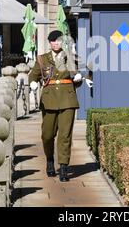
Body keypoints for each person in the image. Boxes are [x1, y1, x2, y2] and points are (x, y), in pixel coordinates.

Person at [28, 30, 82, 182]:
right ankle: (50, 159)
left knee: (65, 136)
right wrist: (32, 82)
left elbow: (78, 76)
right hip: (49, 100)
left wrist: (78, 79)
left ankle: (63, 168)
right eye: (53, 41)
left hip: (67, 100)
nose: (56, 43)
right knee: (47, 135)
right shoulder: (42, 59)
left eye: (58, 41)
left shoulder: (70, 58)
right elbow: (33, 74)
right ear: (50, 43)